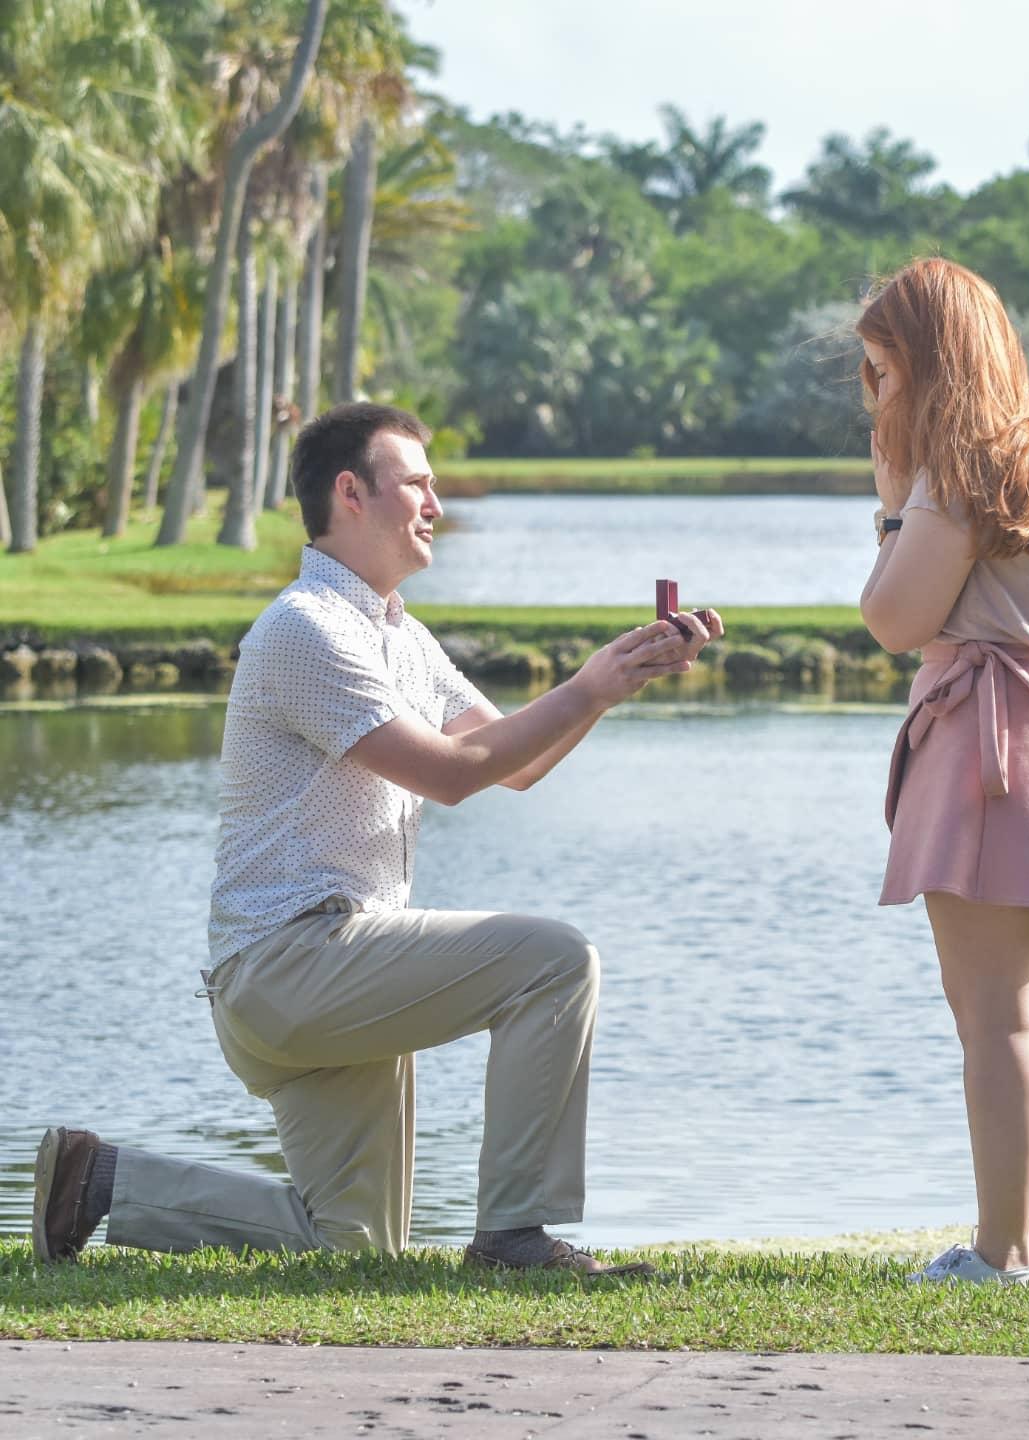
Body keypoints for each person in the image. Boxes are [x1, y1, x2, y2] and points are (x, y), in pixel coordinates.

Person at [33, 402, 721, 1274]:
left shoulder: (401, 634)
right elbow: (451, 772)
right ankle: (514, 1237)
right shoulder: (304, 628)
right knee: (558, 961)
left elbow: (514, 764)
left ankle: (99, 1184)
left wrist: (612, 686)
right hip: (292, 966)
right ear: (351, 493)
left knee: (352, 1248)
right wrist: (584, 688)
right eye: (417, 484)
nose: (435, 501)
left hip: (326, 972)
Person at [858, 260, 1029, 1286]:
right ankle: (1021, 1248)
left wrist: (893, 505)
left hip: (994, 743)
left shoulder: (966, 464)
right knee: (1021, 1014)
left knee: (992, 1015)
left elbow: (893, 619)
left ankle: (1002, 1255)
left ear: (929, 363)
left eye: (883, 371)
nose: (876, 395)